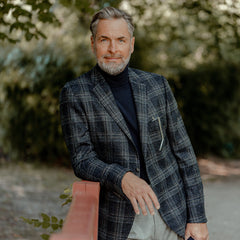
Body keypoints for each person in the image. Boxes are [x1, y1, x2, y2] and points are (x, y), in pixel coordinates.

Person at [60, 6, 209, 240]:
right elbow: (82, 159)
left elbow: (184, 154)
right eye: (104, 40)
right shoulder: (76, 93)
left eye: (121, 40)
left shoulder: (157, 85)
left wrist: (198, 217)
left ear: (131, 43)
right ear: (92, 43)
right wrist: (122, 177)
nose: (112, 49)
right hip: (122, 221)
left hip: (174, 214)